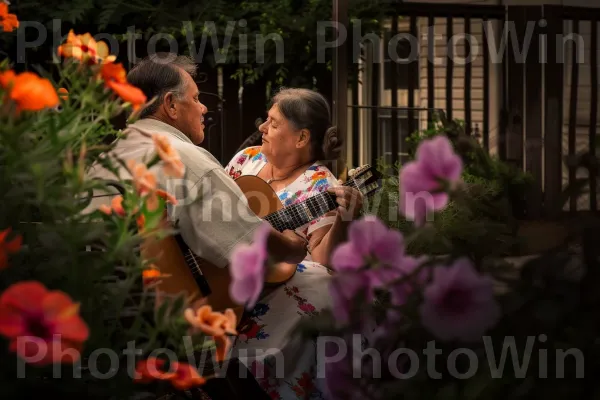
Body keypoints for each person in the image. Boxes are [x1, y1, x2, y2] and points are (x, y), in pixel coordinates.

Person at [225, 88, 364, 399]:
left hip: (271, 291)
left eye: (273, 124)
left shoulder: (321, 185)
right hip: (221, 275)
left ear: (301, 138)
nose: (261, 128)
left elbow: (322, 260)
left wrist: (346, 217)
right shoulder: (245, 160)